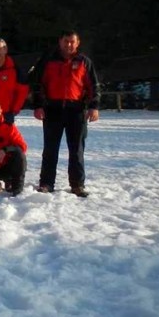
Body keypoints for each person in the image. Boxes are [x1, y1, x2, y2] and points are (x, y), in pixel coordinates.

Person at [31, 30, 100, 197]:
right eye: (65, 41)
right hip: (52, 109)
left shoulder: (84, 62)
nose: (68, 45)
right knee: (50, 149)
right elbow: (37, 84)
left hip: (76, 110)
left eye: (72, 42)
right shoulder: (48, 60)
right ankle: (46, 183)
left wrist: (94, 106)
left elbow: (94, 86)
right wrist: (38, 105)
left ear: (77, 43)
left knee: (76, 149)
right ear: (60, 41)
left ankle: (77, 185)